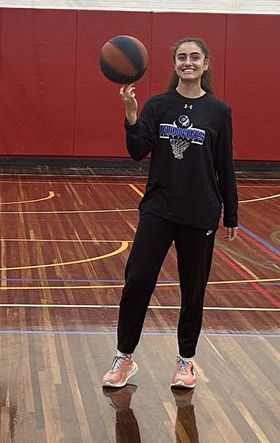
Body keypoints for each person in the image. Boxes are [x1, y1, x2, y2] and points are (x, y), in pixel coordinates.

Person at [101, 36, 238, 391]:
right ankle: (124, 357)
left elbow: (225, 164)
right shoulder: (158, 106)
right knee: (137, 282)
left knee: (193, 291)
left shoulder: (219, 112)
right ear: (174, 64)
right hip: (159, 208)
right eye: (181, 57)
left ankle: (185, 361)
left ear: (206, 64)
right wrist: (131, 115)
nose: (188, 62)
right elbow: (137, 150)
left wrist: (231, 213)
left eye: (195, 57)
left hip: (200, 212)